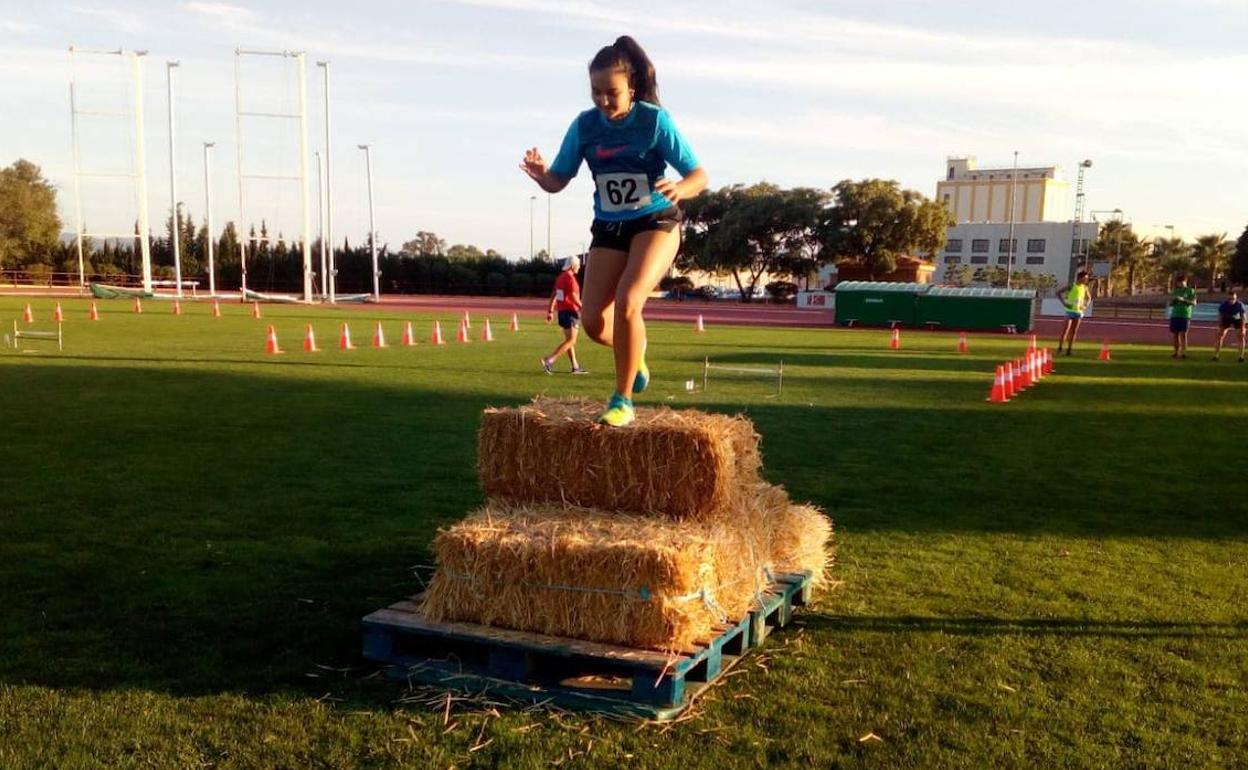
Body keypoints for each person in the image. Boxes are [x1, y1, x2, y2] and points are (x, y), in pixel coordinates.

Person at [520, 36, 707, 427]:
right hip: (608, 227)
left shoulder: (654, 121)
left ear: (632, 88)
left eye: (612, 93)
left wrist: (680, 188)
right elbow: (558, 181)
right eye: (596, 92)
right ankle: (636, 354)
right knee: (591, 323)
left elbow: (698, 175)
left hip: (655, 221)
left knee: (629, 300)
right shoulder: (585, 126)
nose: (603, 101)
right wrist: (542, 176)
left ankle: (622, 400)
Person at [541, 255, 588, 375]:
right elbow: (573, 296)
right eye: (578, 265)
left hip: (562, 312)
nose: (579, 267)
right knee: (572, 341)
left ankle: (575, 366)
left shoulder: (560, 278)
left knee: (569, 341)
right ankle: (549, 360)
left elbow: (554, 295)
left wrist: (550, 311)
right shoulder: (570, 279)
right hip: (571, 312)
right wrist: (583, 307)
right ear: (573, 266)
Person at [1056, 271, 1091, 356]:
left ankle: (1069, 350)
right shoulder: (1072, 286)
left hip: (1078, 312)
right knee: (1065, 331)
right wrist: (1064, 303)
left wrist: (1085, 305)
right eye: (1085, 278)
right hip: (1069, 311)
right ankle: (1060, 348)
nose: (1086, 279)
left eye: (1087, 278)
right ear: (1080, 277)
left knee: (1074, 332)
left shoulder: (1085, 288)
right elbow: (1058, 293)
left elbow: (1089, 298)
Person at [1211, 288, 1246, 363]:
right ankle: (1216, 355)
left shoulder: (1240, 305)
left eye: (1233, 299)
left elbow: (1243, 317)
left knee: (1241, 336)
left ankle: (1241, 356)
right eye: (1230, 299)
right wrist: (1220, 325)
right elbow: (1220, 316)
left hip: (1237, 319)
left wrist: (1243, 328)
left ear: (1236, 298)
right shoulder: (1223, 305)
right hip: (1226, 318)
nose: (1231, 300)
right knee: (1220, 335)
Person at [1168, 273, 1197, 359]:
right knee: (1175, 334)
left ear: (1185, 282)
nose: (1179, 284)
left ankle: (1184, 352)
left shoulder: (1190, 291)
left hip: (1185, 315)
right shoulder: (1176, 291)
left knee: (1183, 334)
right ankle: (1176, 352)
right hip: (1175, 314)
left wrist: (1183, 300)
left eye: (1181, 282)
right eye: (1178, 283)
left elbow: (1194, 303)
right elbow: (1171, 303)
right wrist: (1174, 301)